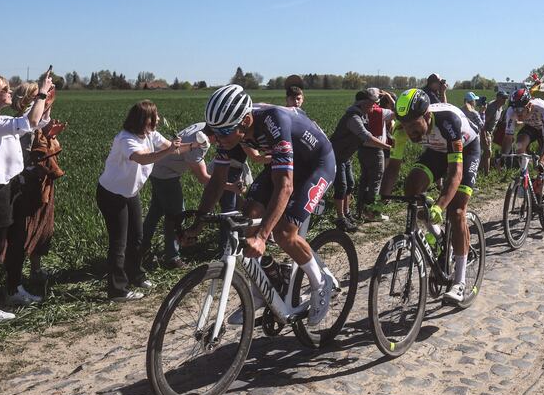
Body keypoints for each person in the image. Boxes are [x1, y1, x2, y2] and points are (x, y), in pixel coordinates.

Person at [182, 85, 336, 325]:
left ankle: (321, 283)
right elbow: (217, 182)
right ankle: (264, 287)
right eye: (215, 131)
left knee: (283, 232)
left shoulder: (274, 121)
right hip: (286, 162)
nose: (219, 139)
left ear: (244, 121)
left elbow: (285, 186)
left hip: (317, 163)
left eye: (223, 132)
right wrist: (199, 222)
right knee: (248, 218)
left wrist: (263, 237)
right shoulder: (230, 130)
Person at [381, 89, 480, 304]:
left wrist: (440, 206)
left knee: (456, 210)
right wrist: (381, 200)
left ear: (427, 116)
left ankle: (460, 282)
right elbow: (393, 168)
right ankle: (438, 235)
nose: (411, 133)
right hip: (436, 151)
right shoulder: (400, 129)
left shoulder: (448, 121)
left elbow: (455, 172)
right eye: (406, 127)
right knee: (411, 187)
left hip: (467, 150)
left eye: (414, 126)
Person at [0, 71, 53, 322]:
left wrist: (46, 101)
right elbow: (27, 122)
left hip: (12, 186)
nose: (9, 91)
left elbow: (35, 122)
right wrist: (40, 92)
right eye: (3, 89)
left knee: (17, 240)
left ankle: (13, 289)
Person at [96, 100, 195, 302]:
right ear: (144, 119)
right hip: (112, 195)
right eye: (154, 116)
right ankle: (117, 290)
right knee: (119, 242)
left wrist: (196, 145)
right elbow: (142, 158)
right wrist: (168, 151)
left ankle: (136, 276)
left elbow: (173, 148)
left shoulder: (150, 134)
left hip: (130, 193)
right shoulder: (126, 139)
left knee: (137, 237)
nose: (158, 119)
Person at [10, 81, 66, 282]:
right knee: (26, 227)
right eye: (38, 96)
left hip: (41, 180)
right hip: (26, 183)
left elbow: (41, 133)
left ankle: (34, 269)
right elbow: (30, 149)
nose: (43, 98)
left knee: (42, 225)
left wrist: (49, 135)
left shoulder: (37, 118)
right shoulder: (21, 121)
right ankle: (16, 276)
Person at [141, 122, 216, 269]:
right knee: (176, 215)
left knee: (156, 210)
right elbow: (203, 178)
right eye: (219, 138)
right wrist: (228, 186)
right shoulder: (202, 142)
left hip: (157, 167)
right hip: (166, 174)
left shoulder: (203, 126)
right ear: (213, 135)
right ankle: (173, 258)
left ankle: (141, 249)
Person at [330, 89, 391, 231]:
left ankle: (347, 213)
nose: (374, 106)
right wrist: (387, 147)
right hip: (336, 156)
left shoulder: (362, 116)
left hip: (346, 157)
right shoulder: (353, 118)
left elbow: (365, 140)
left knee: (350, 185)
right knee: (341, 187)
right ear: (363, 103)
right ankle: (340, 219)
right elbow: (367, 137)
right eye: (372, 103)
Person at [501, 89, 544, 228]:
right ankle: (524, 177)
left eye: (521, 109)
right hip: (532, 127)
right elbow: (508, 138)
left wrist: (542, 162)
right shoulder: (511, 112)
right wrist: (503, 157)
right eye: (515, 109)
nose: (518, 113)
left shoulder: (542, 109)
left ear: (529, 105)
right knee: (519, 145)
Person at [357, 88, 394, 221]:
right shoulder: (380, 112)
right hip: (376, 150)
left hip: (362, 149)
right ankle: (373, 213)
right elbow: (398, 112)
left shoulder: (359, 111)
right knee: (376, 181)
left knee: (364, 180)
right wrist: (389, 97)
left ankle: (359, 210)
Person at [482, 90, 508, 172]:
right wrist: (485, 135)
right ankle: (486, 173)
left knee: (486, 153)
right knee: (488, 152)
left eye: (506, 98)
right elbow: (484, 122)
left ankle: (480, 169)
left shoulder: (500, 107)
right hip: (485, 131)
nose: (505, 99)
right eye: (503, 98)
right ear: (498, 98)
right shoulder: (492, 107)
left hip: (490, 132)